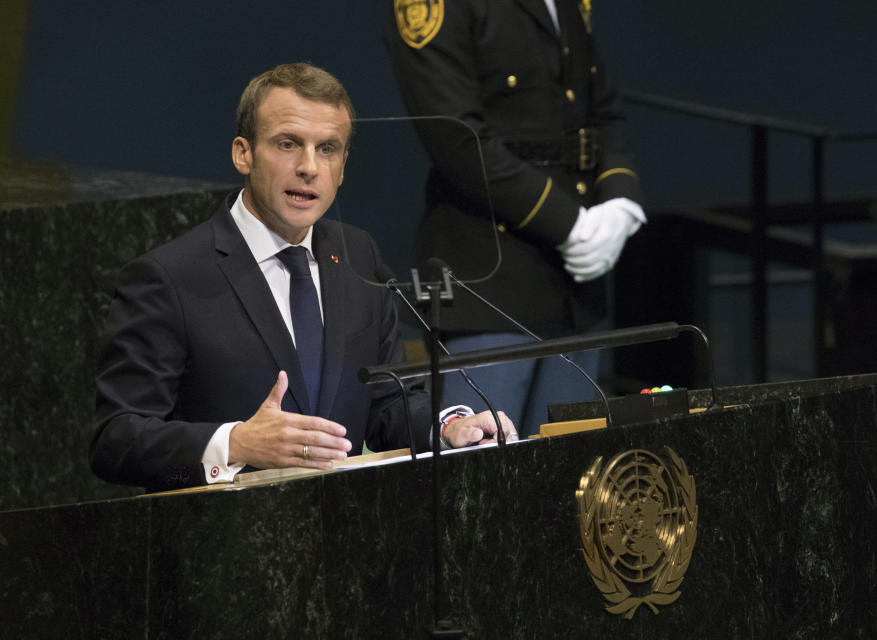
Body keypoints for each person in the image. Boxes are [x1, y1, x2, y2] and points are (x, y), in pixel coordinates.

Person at [89, 62, 515, 492]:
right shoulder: (168, 277)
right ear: (244, 153)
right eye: (288, 144)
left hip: (347, 535)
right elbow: (116, 441)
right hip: (217, 543)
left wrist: (448, 428)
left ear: (343, 166)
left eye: (327, 148)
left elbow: (387, 404)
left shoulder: (358, 254)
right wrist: (236, 444)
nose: (309, 167)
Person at [383, 0, 647, 436]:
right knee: (481, 474)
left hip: (575, 288)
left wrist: (621, 201)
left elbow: (603, 111)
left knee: (575, 479)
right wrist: (570, 225)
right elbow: (456, 138)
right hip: (490, 278)